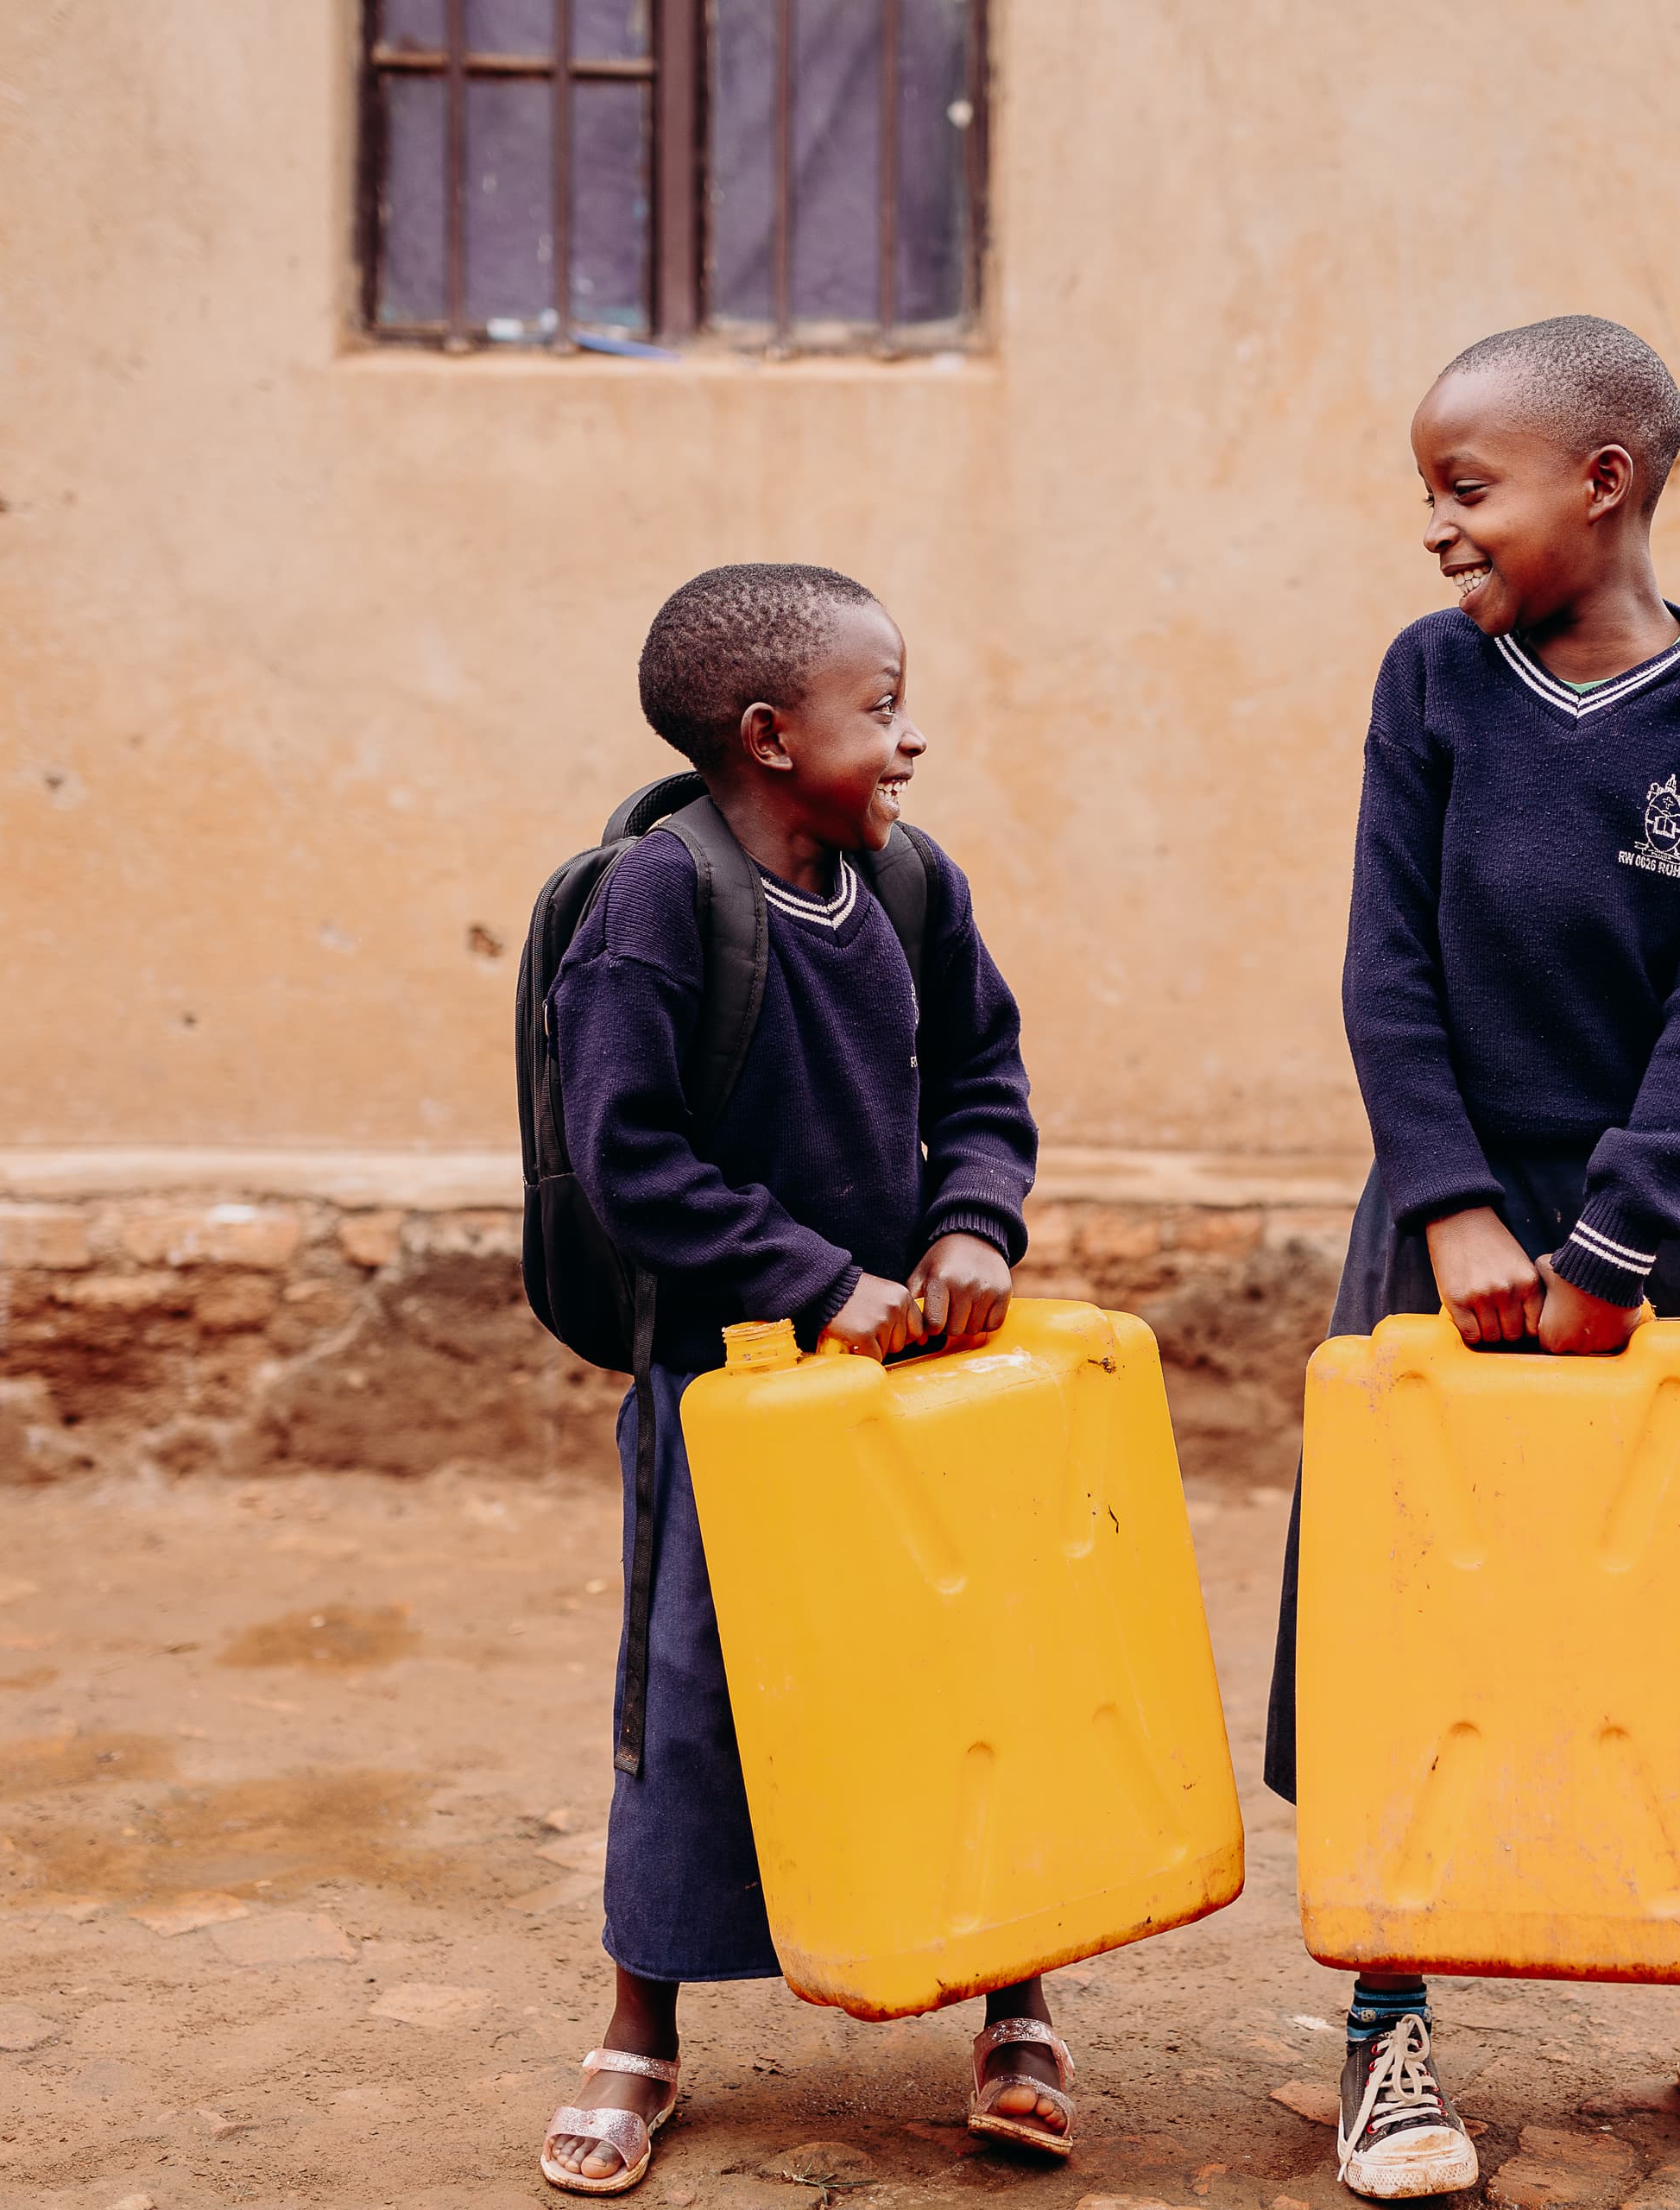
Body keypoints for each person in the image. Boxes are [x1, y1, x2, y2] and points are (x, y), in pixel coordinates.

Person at [1262, 318, 1680, 2191]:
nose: (1436, 529)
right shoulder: (1432, 688)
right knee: (1409, 1600)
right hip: (1437, 1219)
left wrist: (1611, 1241)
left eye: (1467, 486)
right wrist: (1451, 1207)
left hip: (1671, 1232)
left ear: (1604, 481)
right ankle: (1385, 2013)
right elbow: (1387, 967)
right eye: (1426, 492)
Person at [537, 564, 1069, 2194]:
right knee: (691, 1702)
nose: (912, 742)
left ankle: (1017, 1993)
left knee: (969, 1677)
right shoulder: (657, 905)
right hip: (729, 1390)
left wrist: (975, 1221)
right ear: (770, 736)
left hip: (924, 1375)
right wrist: (809, 1283)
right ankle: (641, 2032)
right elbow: (623, 1155)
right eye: (882, 709)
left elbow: (986, 1072)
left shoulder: (912, 890)